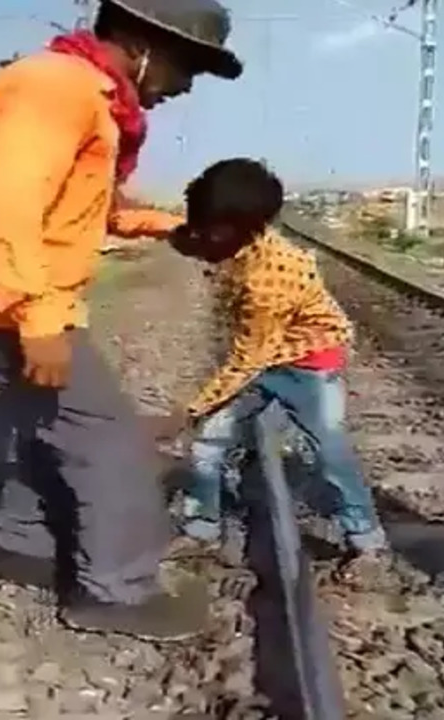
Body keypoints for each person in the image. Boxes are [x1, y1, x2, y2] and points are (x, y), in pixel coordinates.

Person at [0, 0, 244, 641]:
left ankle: (18, 546)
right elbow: (10, 207)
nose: (186, 86)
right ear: (147, 46)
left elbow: (88, 207)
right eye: (189, 67)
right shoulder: (57, 89)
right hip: (0, 303)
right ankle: (114, 593)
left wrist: (174, 228)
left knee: (47, 423)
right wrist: (39, 321)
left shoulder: (83, 95)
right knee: (109, 439)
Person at [159, 158, 394, 588]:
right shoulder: (237, 243)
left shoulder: (271, 277)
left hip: (308, 363)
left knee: (326, 452)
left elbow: (249, 358)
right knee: (210, 440)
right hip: (267, 354)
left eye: (209, 228)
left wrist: (187, 409)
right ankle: (201, 529)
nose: (203, 235)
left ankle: (368, 544)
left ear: (243, 226)